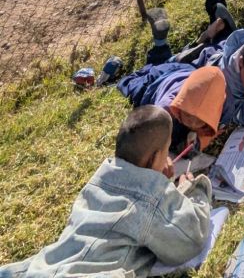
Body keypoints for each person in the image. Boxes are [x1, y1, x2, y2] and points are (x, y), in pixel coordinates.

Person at [1, 106, 212, 278]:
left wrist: (157, 179)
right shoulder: (148, 200)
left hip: (43, 269)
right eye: (167, 151)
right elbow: (190, 240)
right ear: (154, 157)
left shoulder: (98, 181)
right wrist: (194, 190)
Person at [117, 64, 226, 154]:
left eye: (200, 121)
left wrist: (199, 141)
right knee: (130, 84)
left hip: (185, 71)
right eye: (187, 115)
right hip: (156, 83)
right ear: (179, 106)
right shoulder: (163, 111)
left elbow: (204, 136)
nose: (192, 123)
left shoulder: (214, 107)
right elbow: (147, 141)